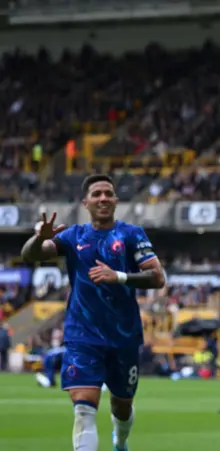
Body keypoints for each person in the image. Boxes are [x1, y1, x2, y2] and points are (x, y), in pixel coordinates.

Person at [21, 174, 166, 451]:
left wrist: (119, 276)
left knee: (122, 406)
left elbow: (157, 277)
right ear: (85, 202)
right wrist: (38, 238)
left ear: (116, 201)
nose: (103, 198)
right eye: (97, 194)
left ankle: (120, 441)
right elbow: (31, 255)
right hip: (83, 335)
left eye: (108, 193)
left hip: (123, 336)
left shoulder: (132, 234)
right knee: (84, 409)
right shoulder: (73, 236)